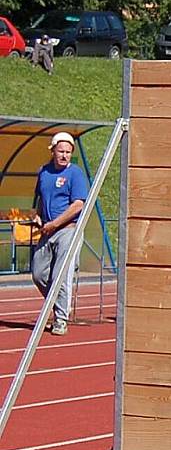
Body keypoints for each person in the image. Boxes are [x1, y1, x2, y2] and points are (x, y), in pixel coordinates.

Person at [32, 132, 88, 336]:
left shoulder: (75, 174)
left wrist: (55, 223)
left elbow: (78, 205)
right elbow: (39, 198)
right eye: (61, 151)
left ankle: (61, 319)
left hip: (67, 230)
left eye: (68, 152)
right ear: (53, 151)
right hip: (47, 230)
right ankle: (56, 306)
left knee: (60, 276)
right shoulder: (44, 172)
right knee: (38, 273)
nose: (64, 155)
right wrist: (38, 216)